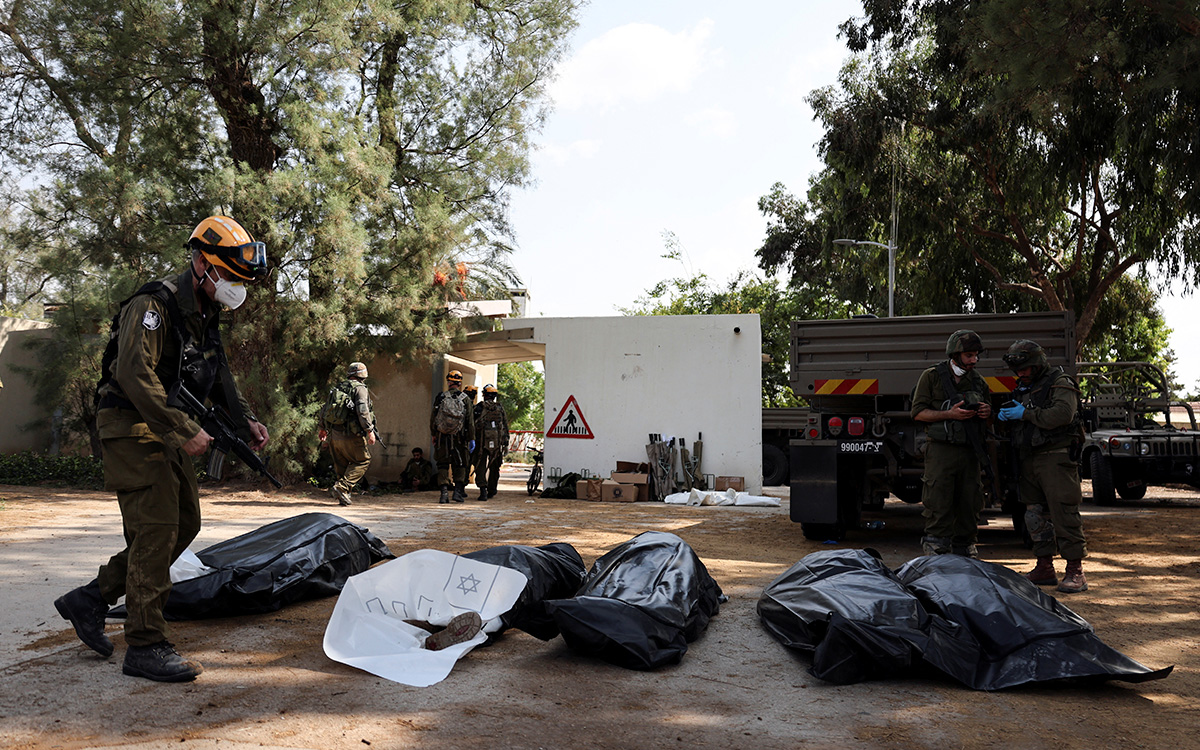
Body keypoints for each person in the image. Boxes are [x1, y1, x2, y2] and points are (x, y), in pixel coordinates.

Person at [54, 215, 270, 682]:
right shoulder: (154, 305)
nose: (235, 287)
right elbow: (134, 373)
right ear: (200, 264)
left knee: (185, 523)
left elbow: (219, 377)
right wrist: (180, 428)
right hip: (132, 427)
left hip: (162, 427)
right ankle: (145, 645)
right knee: (157, 529)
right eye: (229, 277)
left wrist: (244, 418)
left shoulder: (204, 315)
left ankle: (91, 598)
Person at [998, 339, 1088, 593]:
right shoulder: (1025, 386)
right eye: (1018, 370)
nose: (1021, 374)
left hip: (1056, 457)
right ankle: (1045, 567)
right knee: (1033, 515)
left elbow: (1062, 414)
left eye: (1025, 369)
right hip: (1030, 457)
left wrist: (1024, 414)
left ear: (1037, 364)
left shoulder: (1060, 382)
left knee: (1064, 512)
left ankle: (1075, 571)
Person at [911, 330, 993, 558]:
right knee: (938, 497)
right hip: (941, 449)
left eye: (976, 355)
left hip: (970, 451)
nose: (974, 360)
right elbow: (918, 413)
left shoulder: (978, 381)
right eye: (969, 355)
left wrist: (987, 411)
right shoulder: (932, 377)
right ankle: (936, 547)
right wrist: (949, 414)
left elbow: (990, 418)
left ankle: (965, 545)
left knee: (970, 499)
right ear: (955, 355)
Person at [319, 361, 376, 506]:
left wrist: (322, 428)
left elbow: (325, 409)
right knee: (363, 460)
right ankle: (342, 488)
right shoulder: (360, 389)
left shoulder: (338, 388)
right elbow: (363, 411)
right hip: (353, 435)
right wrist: (369, 430)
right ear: (363, 375)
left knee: (342, 466)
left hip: (335, 435)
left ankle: (343, 496)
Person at [430, 369, 475, 503]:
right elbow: (470, 422)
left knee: (442, 464)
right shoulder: (466, 399)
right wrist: (471, 439)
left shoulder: (441, 396)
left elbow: (433, 417)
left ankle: (444, 494)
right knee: (460, 464)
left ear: (448, 382)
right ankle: (457, 492)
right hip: (460, 438)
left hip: (442, 437)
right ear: (460, 384)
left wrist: (434, 434)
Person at [473, 384, 510, 500]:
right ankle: (492, 489)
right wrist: (505, 442)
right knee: (494, 467)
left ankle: (483, 490)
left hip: (481, 443)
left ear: (484, 395)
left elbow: (472, 424)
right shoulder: (500, 408)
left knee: (480, 466)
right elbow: (504, 425)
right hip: (497, 443)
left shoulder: (479, 407)